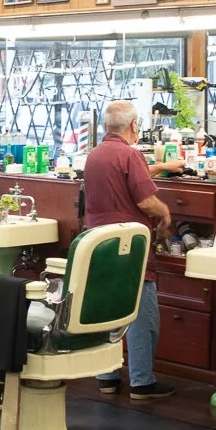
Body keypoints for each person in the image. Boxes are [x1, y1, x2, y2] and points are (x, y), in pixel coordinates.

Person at [82, 99, 181, 400]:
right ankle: (142, 381)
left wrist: (160, 166)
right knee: (141, 314)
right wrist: (164, 212)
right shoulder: (129, 154)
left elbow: (125, 174)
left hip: (98, 242)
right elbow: (145, 200)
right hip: (129, 244)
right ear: (134, 126)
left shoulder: (95, 155)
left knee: (108, 311)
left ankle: (107, 377)